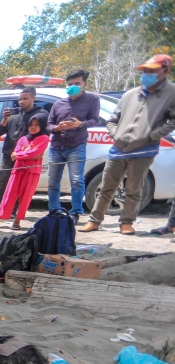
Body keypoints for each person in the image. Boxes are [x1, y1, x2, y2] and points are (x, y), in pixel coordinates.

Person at [83, 55, 175, 234]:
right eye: (144, 71)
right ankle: (94, 220)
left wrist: (152, 136)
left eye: (151, 71)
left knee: (133, 189)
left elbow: (173, 121)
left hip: (144, 150)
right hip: (118, 149)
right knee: (106, 187)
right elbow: (112, 120)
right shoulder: (130, 94)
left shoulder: (171, 93)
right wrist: (115, 135)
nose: (146, 74)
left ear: (164, 70)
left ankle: (126, 222)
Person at [45, 70, 100, 223]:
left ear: (85, 84)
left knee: (76, 180)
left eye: (77, 84)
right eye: (70, 84)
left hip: (77, 145)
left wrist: (80, 124)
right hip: (56, 146)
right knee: (52, 181)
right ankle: (54, 210)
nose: (73, 87)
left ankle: (75, 212)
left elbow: (95, 120)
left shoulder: (92, 100)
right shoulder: (58, 104)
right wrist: (57, 128)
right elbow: (48, 125)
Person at [0, 87, 49, 219]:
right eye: (20, 99)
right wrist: (4, 119)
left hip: (26, 157)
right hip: (9, 154)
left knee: (20, 186)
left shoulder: (40, 115)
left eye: (25, 98)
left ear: (33, 98)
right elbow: (0, 132)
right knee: (2, 181)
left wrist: (38, 151)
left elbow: (44, 135)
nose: (21, 101)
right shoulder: (14, 114)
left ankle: (13, 211)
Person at [0, 115, 50, 230]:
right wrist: (26, 155)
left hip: (32, 171)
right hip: (18, 169)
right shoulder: (23, 138)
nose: (33, 127)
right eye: (31, 124)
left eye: (37, 124)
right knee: (9, 194)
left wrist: (20, 155)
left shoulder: (44, 138)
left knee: (25, 196)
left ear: (42, 126)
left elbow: (32, 153)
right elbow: (16, 153)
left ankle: (17, 221)